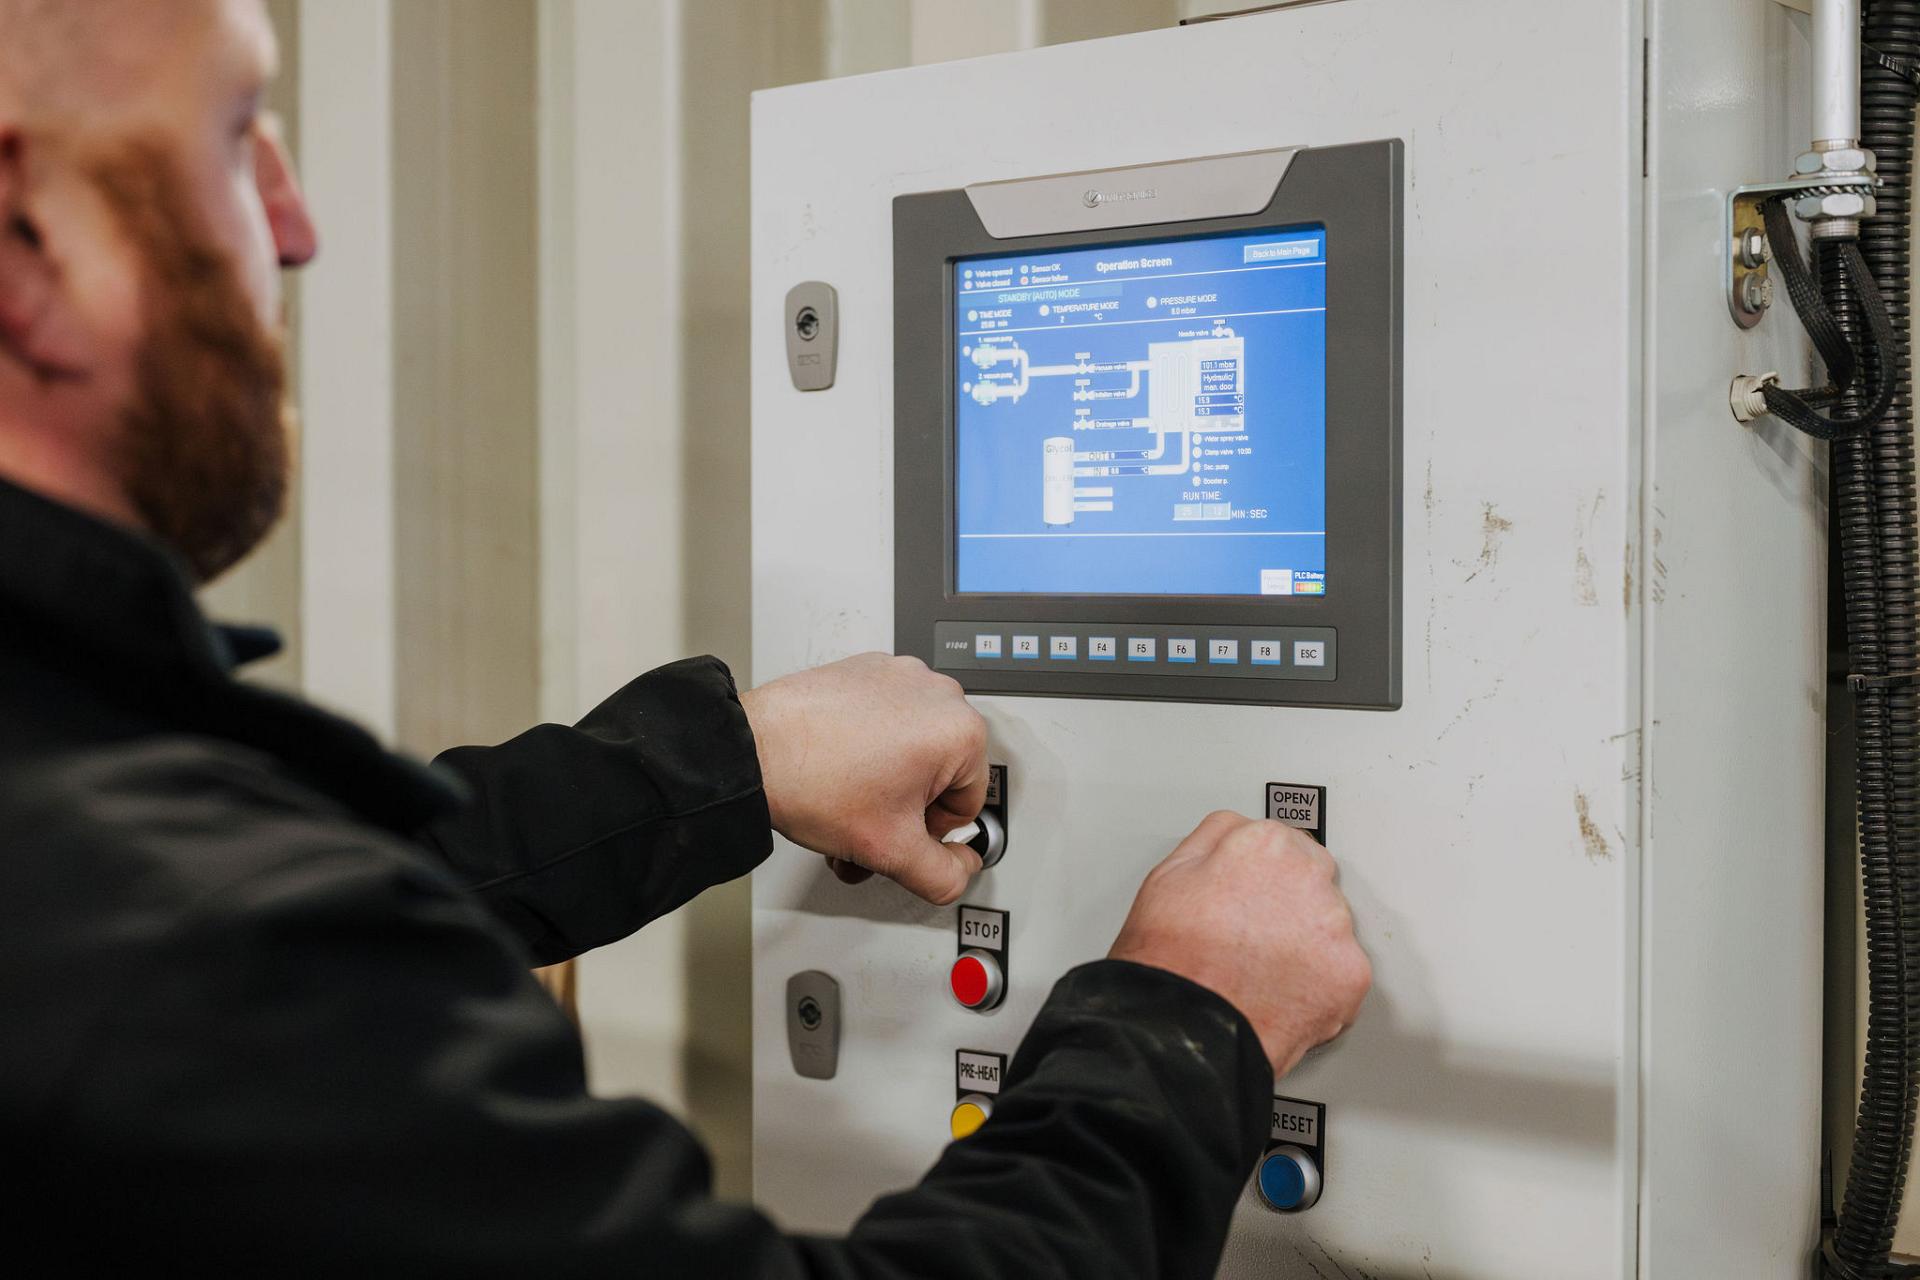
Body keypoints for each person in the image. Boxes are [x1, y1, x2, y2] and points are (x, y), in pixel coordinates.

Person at [0, 1, 1372, 1273]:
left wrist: (723, 759)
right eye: (237, 142)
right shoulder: (170, 942)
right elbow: (227, 948)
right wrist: (1190, 1027)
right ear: (29, 239)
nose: (296, 232)